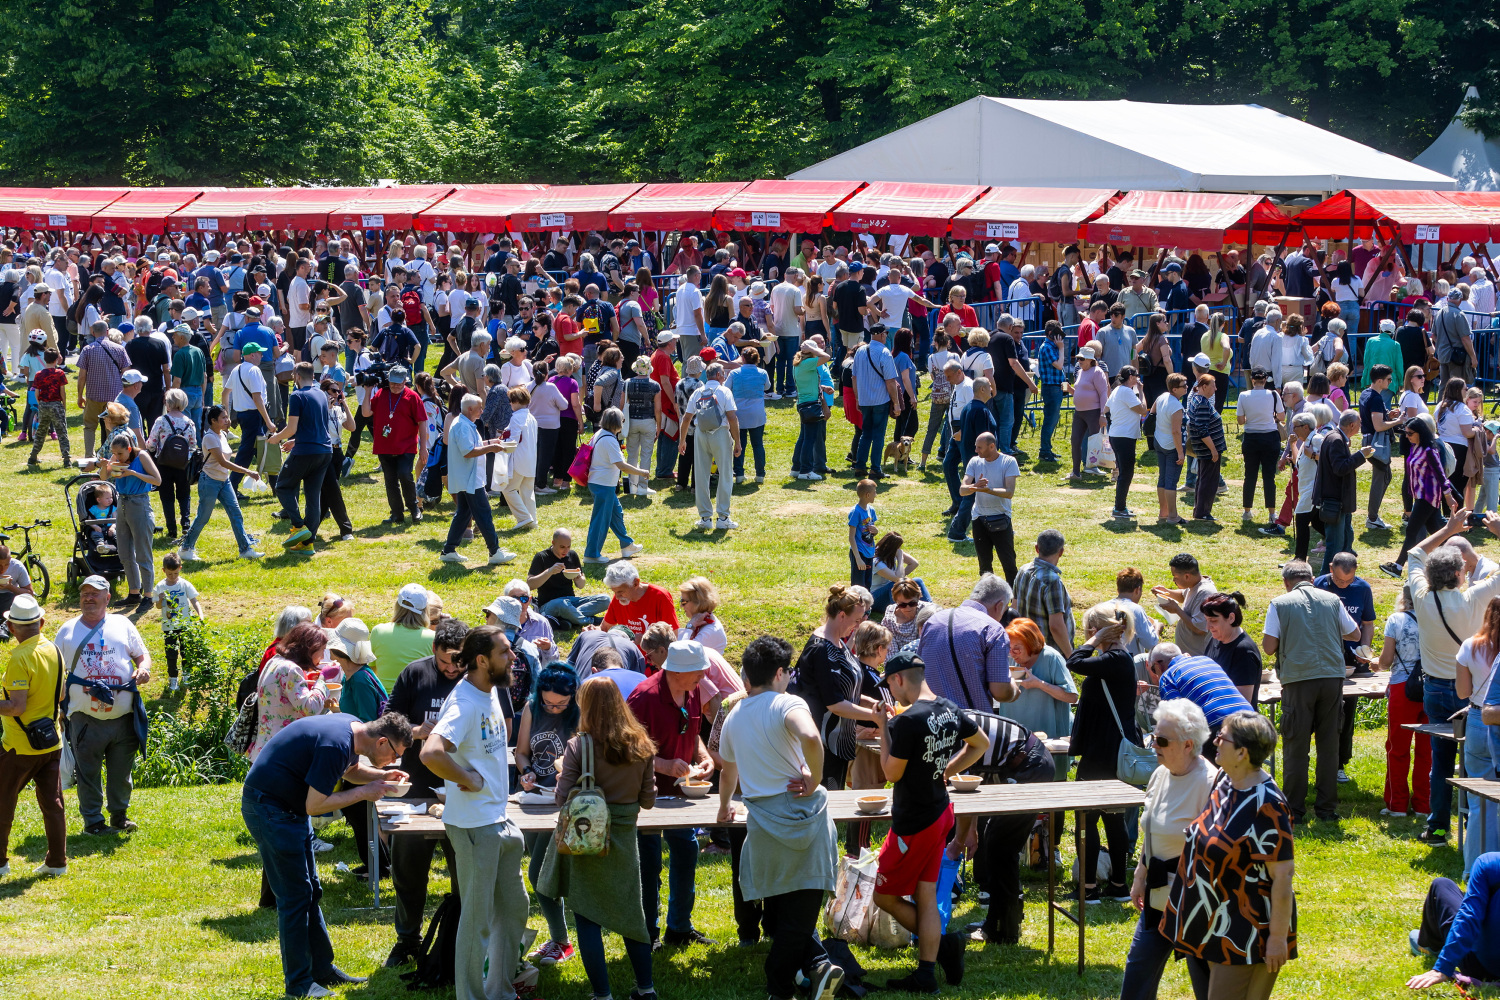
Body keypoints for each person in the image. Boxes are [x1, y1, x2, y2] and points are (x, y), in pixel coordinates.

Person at [241, 709, 411, 999]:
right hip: (270, 809)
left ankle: (322, 969)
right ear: (382, 742)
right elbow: (315, 805)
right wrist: (364, 792)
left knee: (311, 891)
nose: (394, 760)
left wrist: (382, 775)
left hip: (287, 809)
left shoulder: (354, 730)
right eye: (395, 755)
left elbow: (350, 770)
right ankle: (298, 985)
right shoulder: (335, 744)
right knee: (294, 898)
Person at [717, 636, 846, 1000]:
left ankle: (813, 970)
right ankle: (783, 981)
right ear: (778, 673)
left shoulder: (735, 714)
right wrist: (816, 778)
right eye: (788, 671)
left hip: (763, 819)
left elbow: (728, 771)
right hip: (802, 814)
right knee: (800, 913)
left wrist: (724, 805)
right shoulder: (788, 702)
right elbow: (810, 736)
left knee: (783, 908)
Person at [534, 676, 660, 1000]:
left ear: (586, 706)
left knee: (587, 917)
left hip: (587, 842)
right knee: (633, 917)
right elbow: (648, 801)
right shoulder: (642, 744)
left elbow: (561, 799)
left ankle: (602, 995)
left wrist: (566, 776)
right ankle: (646, 989)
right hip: (625, 843)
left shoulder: (580, 746)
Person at [419, 625, 528, 1000]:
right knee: (477, 920)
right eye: (505, 652)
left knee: (514, 908)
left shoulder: (490, 690)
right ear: (482, 661)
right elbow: (431, 752)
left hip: (499, 819)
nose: (513, 657)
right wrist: (465, 777)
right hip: (473, 826)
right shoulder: (464, 703)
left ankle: (499, 990)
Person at [870, 649, 987, 992]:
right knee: (924, 895)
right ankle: (926, 973)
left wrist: (882, 728)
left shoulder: (905, 721)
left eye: (889, 684)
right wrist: (948, 770)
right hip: (940, 813)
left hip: (914, 822)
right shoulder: (948, 708)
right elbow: (980, 743)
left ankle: (946, 943)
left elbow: (891, 772)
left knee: (884, 895)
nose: (891, 693)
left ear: (898, 678)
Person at [1160, 710, 1297, 998]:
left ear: (1242, 753)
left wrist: (1276, 939)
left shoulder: (1267, 805)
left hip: (1243, 933)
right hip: (1206, 919)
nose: (1216, 741)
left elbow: (1283, 877)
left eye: (1223, 737)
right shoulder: (1224, 780)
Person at [1406, 508, 1500, 843]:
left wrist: (1447, 529)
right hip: (1472, 690)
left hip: (1434, 688)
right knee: (1477, 762)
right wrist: (1497, 530)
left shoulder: (1420, 596)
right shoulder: (1475, 597)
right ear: (1462, 574)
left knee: (1440, 760)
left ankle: (1438, 827)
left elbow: (1415, 553)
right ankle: (1477, 825)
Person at [382, 617, 469, 967]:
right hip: (414, 791)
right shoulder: (414, 673)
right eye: (446, 660)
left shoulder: (474, 679)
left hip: (460, 791)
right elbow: (388, 722)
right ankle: (407, 940)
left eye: (459, 661)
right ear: (433, 650)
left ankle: (459, 938)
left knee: (464, 871)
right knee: (407, 873)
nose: (452, 668)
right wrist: (417, 732)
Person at [1119, 699, 1215, 1000]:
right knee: (1136, 978)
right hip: (1157, 893)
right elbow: (1151, 830)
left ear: (1188, 745)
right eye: (1152, 737)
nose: (1153, 745)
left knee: (1207, 983)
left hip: (1194, 898)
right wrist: (1140, 875)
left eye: (1161, 740)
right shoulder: (1160, 773)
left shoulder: (1210, 783)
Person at [626, 639, 717, 948]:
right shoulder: (644, 697)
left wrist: (703, 757)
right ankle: (647, 933)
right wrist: (662, 764)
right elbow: (624, 749)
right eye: (699, 671)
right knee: (649, 863)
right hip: (646, 796)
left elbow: (692, 733)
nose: (704, 675)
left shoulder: (691, 690)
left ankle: (679, 927)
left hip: (680, 797)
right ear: (678, 670)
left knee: (686, 850)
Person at [1262, 559, 1362, 824]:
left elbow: (1269, 647)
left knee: (1296, 745)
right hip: (1332, 678)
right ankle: (1326, 809)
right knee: (1329, 745)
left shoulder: (1279, 604)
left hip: (1298, 679)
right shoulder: (1332, 600)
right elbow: (1355, 633)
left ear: (1286, 582)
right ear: (1313, 578)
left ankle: (1294, 809)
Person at [1066, 603, 1139, 902]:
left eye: (1088, 630)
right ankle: (1119, 886)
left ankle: (1089, 888)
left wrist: (1094, 641)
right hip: (1110, 749)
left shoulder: (1114, 658)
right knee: (1112, 818)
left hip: (1101, 751)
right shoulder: (1120, 659)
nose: (1086, 636)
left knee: (1087, 818)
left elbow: (1075, 661)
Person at [0, 595, 67, 879]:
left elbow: (16, 706)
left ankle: (0, 863)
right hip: (53, 741)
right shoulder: (54, 649)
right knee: (53, 804)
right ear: (41, 622)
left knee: (2, 802)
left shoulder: (19, 658)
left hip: (19, 746)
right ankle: (57, 862)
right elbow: (61, 694)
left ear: (12, 627)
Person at [436, 393, 516, 567]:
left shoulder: (465, 424)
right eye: (480, 407)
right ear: (470, 409)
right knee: (484, 513)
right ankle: (495, 551)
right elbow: (468, 451)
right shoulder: (462, 426)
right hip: (470, 479)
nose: (482, 410)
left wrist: (490, 442)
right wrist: (492, 448)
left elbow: (474, 446)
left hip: (469, 478)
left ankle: (449, 550)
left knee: (464, 513)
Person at [1407, 852, 1500, 990]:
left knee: (1442, 885)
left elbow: (1469, 916)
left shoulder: (1489, 863)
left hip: (1480, 967)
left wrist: (1443, 967)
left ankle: (1430, 946)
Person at [1379, 587, 1431, 819]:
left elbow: (1386, 660)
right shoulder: (1438, 617)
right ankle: (1424, 805)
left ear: (1404, 598)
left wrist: (1376, 664)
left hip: (1403, 687)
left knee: (1398, 749)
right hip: (1434, 688)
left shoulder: (1396, 619)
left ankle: (1397, 804)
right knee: (1427, 750)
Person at [1456, 600, 1500, 872]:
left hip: (1475, 720)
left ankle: (1474, 870)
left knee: (1478, 804)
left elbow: (1462, 692)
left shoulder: (1470, 646)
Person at [98, 434, 162, 613]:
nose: (116, 457)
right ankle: (135, 593)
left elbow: (157, 480)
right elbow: (103, 478)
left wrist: (133, 472)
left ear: (128, 449)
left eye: (119, 454)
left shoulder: (141, 456)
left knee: (143, 553)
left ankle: (148, 595)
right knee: (125, 552)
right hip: (122, 504)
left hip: (140, 504)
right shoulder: (116, 457)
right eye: (113, 454)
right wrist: (105, 466)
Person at [583, 407, 649, 564]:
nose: (623, 423)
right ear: (617, 423)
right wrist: (641, 472)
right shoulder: (609, 440)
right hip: (603, 484)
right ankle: (591, 554)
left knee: (616, 513)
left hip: (601, 483)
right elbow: (622, 465)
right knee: (600, 520)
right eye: (623, 420)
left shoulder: (600, 434)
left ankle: (627, 545)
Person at [681, 362, 741, 530]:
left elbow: (686, 418)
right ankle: (723, 517)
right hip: (720, 433)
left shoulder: (698, 391)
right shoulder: (724, 391)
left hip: (701, 433)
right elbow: (731, 417)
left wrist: (682, 440)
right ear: (720, 375)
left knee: (701, 475)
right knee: (725, 474)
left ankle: (705, 518)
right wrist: (737, 441)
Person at [961, 432, 1019, 580]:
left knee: (1009, 563)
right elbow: (962, 490)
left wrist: (988, 490)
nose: (976, 450)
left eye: (979, 447)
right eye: (976, 447)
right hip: (979, 518)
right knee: (984, 566)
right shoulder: (974, 461)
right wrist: (975, 486)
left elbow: (1009, 492)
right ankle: (988, 597)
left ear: (992, 446)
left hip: (1001, 517)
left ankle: (1015, 599)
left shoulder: (1009, 462)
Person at [529, 528, 610, 627]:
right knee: (561, 604)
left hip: (571, 601)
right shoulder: (541, 557)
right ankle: (591, 620)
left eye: (568, 547)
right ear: (553, 543)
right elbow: (530, 584)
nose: (566, 550)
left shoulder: (572, 555)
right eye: (562, 547)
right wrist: (549, 572)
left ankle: (567, 619)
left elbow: (581, 585)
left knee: (605, 599)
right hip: (549, 604)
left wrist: (579, 578)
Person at [1013, 529, 1074, 655]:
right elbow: (1056, 626)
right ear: (1061, 552)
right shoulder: (1052, 581)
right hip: (1049, 654)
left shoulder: (1023, 571)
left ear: (1037, 548)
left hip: (1026, 647)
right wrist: (1071, 656)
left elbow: (1014, 608)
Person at [371, 584, 436, 690]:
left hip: (385, 700)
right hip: (417, 701)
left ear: (397, 605)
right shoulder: (433, 637)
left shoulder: (378, 631)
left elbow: (371, 670)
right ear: (425, 610)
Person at [151, 552, 200, 692]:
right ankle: (173, 679)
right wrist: (160, 600)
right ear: (163, 571)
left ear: (180, 569)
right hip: (169, 626)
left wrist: (200, 615)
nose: (172, 577)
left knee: (186, 652)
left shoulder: (185, 584)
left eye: (175, 574)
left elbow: (194, 600)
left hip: (185, 625)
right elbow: (158, 607)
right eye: (169, 574)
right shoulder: (160, 587)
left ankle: (187, 676)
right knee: (171, 654)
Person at [1202, 593, 1262, 704]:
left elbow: (1242, 703)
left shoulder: (1243, 651)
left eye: (1213, 621)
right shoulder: (1215, 639)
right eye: (1206, 620)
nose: (1208, 627)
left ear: (1231, 618)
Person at [1106, 365, 1148, 520]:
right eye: (1136, 376)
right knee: (1126, 473)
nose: (1138, 379)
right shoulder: (1126, 391)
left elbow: (1106, 408)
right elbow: (1143, 409)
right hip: (1124, 437)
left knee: (1124, 472)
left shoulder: (1117, 390)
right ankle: (1119, 507)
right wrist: (1142, 391)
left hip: (1117, 435)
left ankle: (1120, 506)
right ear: (1131, 377)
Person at [603, 561, 677, 645]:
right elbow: (605, 627)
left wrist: (645, 639)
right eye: (614, 591)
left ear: (636, 583)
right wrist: (592, 631)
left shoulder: (660, 596)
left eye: (621, 591)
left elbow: (674, 637)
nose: (617, 597)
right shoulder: (619, 599)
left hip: (652, 656)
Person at [1186, 373, 1225, 521]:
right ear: (1204, 386)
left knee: (1203, 479)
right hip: (1207, 449)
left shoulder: (1196, 399)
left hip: (1203, 448)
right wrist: (1213, 449)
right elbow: (1202, 430)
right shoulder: (1202, 403)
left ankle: (1200, 510)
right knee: (1209, 481)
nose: (1215, 388)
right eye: (1213, 385)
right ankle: (1203, 512)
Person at [1070, 345, 1109, 480]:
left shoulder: (1097, 372)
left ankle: (1092, 466)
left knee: (1094, 441)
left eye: (1082, 358)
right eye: (1078, 358)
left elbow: (1103, 393)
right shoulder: (1080, 372)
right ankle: (1076, 472)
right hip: (1079, 412)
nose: (1079, 361)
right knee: (1075, 440)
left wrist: (1102, 414)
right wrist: (1070, 390)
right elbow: (1081, 392)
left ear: (1090, 360)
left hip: (1093, 412)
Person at [676, 576, 726, 653]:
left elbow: (681, 653)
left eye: (683, 601)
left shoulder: (709, 631)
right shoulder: (702, 620)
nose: (681, 606)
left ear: (697, 602)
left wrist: (690, 627)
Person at [848, 479, 878, 589]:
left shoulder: (871, 510)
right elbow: (851, 537)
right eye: (874, 492)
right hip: (859, 553)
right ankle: (855, 606)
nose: (876, 494)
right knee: (858, 586)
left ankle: (866, 606)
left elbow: (871, 532)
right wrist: (858, 559)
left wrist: (876, 531)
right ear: (867, 495)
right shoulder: (856, 512)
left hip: (869, 552)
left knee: (867, 584)